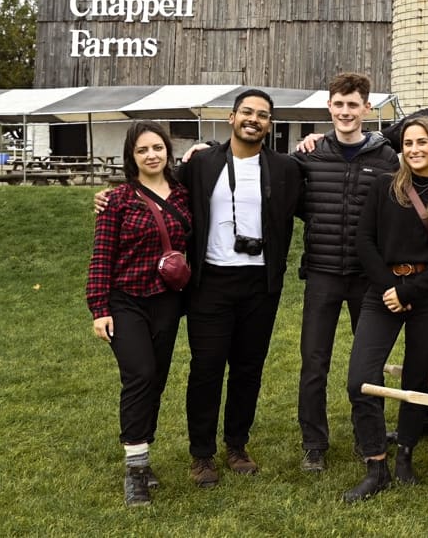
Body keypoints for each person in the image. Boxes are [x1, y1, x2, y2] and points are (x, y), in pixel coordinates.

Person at [179, 90, 303, 487]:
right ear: (231, 117)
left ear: (270, 124)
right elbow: (158, 190)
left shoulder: (285, 168)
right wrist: (112, 197)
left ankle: (236, 445)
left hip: (260, 283)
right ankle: (202, 455)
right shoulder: (202, 163)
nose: (254, 119)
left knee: (248, 369)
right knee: (206, 369)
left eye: (262, 115)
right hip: (211, 280)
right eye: (247, 112)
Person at [344, 116, 428, 502]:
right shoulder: (384, 186)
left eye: (422, 143)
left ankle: (405, 459)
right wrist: (390, 288)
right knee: (360, 379)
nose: (414, 149)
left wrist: (412, 289)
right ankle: (375, 465)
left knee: (416, 380)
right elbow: (364, 240)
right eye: (408, 143)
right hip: (382, 293)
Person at [293, 72, 397, 473]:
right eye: (339, 104)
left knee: (367, 363)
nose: (345, 112)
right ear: (329, 107)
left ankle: (368, 435)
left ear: (366, 109)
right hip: (321, 272)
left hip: (367, 276)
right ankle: (314, 443)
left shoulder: (385, 157)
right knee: (314, 361)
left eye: (353, 105)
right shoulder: (311, 154)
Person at [86, 121, 191, 506]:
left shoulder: (182, 195)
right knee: (140, 375)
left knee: (156, 379)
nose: (152, 155)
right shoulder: (117, 200)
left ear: (168, 150)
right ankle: (134, 471)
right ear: (132, 157)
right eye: (143, 150)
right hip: (125, 300)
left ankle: (143, 459)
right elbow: (101, 256)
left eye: (158, 148)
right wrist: (99, 307)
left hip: (167, 300)